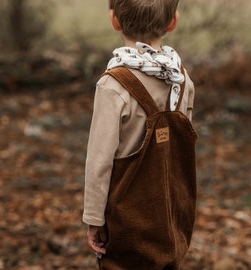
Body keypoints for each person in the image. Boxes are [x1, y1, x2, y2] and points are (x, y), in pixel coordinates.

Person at [83, 0, 197, 269]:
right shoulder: (181, 79)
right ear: (173, 22)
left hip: (127, 214)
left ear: (114, 20)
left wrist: (94, 217)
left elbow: (99, 160)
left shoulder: (113, 85)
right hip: (173, 208)